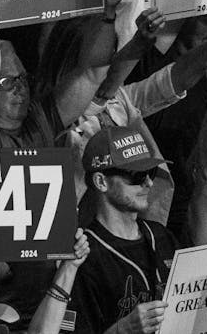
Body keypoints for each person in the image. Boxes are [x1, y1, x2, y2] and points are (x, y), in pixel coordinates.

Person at [69, 126, 174, 334]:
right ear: (101, 181)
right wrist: (123, 329)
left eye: (150, 172)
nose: (149, 182)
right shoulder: (83, 255)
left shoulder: (161, 236)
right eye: (137, 175)